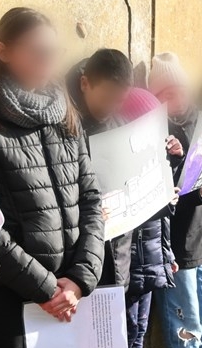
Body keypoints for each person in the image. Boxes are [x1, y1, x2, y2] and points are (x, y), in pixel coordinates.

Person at [0, 8, 105, 348]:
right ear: (4, 51)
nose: (48, 61)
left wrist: (80, 279)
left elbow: (91, 199)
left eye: (53, 52)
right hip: (9, 301)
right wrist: (45, 289)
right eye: (37, 52)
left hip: (70, 298)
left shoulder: (65, 112)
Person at [148, 52, 202, 348]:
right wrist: (176, 159)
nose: (178, 98)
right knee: (186, 328)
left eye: (181, 90)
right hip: (176, 245)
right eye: (167, 94)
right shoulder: (153, 130)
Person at [66, 48, 136, 291]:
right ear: (84, 84)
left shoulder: (123, 126)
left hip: (119, 257)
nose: (112, 106)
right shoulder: (64, 127)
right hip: (79, 262)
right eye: (107, 97)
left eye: (120, 100)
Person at [119, 87, 181, 348]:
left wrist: (174, 161)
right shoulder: (122, 165)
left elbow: (161, 223)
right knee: (128, 331)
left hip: (150, 262)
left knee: (140, 331)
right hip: (130, 267)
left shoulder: (156, 158)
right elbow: (133, 214)